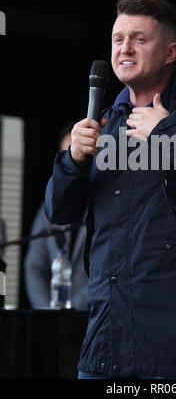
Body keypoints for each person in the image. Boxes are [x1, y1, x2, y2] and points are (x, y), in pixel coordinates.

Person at [45, 0, 176, 379]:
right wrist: (72, 159)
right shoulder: (106, 120)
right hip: (105, 344)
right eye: (118, 38)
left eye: (139, 39)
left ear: (171, 51)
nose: (124, 48)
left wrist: (166, 134)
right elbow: (59, 212)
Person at [25, 123, 88, 311]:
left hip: (91, 316)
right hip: (52, 319)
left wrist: (72, 311)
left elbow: (109, 270)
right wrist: (47, 311)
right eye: (68, 155)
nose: (75, 161)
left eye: (80, 154)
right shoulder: (48, 208)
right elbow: (34, 266)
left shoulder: (108, 204)